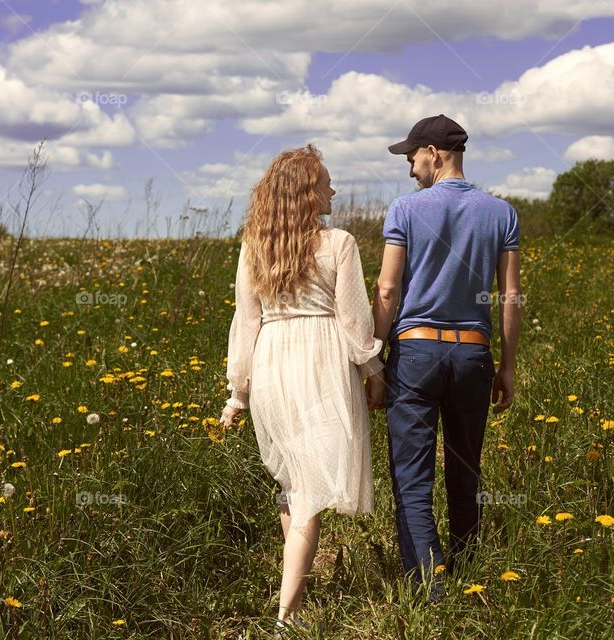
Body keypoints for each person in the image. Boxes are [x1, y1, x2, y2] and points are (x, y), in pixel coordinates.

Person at [219, 144, 385, 629]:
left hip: (272, 363)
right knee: (310, 490)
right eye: (326, 183)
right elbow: (355, 322)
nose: (333, 189)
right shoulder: (339, 243)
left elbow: (245, 324)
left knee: (295, 484)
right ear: (307, 193)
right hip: (321, 363)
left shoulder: (255, 245)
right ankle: (285, 617)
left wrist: (239, 392)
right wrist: (376, 375)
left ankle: (298, 586)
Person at [366, 114, 522, 595]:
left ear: (434, 153)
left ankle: (430, 589)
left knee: (412, 479)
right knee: (466, 472)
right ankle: (469, 577)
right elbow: (510, 297)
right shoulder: (501, 213)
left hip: (414, 355)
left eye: (412, 159)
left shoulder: (406, 210)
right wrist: (508, 365)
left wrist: (373, 356)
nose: (410, 170)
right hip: (473, 356)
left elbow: (388, 289)